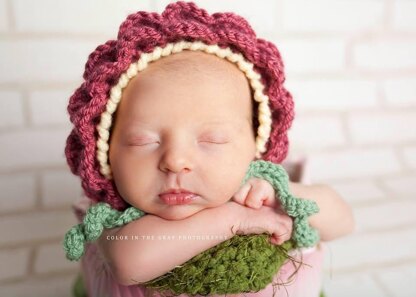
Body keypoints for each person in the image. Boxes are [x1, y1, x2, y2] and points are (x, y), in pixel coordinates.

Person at [63, 2, 354, 296]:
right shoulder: (112, 214)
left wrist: (286, 194)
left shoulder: (259, 191)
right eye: (144, 141)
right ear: (105, 153)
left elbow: (342, 220)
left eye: (212, 140)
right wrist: (234, 219)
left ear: (256, 146)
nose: (175, 161)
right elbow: (129, 264)